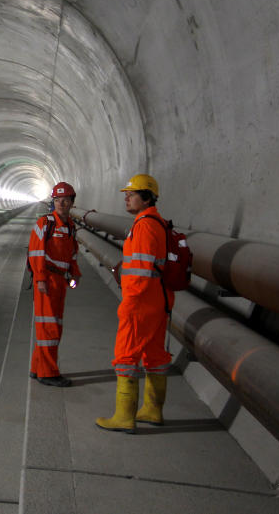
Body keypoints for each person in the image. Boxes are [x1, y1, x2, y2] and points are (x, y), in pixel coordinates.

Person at [96, 174, 174, 433]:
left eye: (132, 193)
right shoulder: (157, 223)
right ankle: (153, 410)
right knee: (154, 355)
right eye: (126, 193)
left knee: (126, 356)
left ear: (148, 197)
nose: (127, 197)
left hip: (140, 302)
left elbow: (140, 271)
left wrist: (128, 303)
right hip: (158, 300)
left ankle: (124, 416)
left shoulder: (143, 225)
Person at [27, 182, 81, 387]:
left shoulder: (70, 226)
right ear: (53, 202)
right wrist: (40, 279)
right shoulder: (45, 223)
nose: (62, 203)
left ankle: (36, 367)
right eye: (58, 200)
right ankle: (48, 373)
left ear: (72, 202)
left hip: (60, 281)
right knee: (49, 329)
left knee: (52, 325)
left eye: (66, 199)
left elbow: (72, 254)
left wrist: (74, 274)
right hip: (47, 281)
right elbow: (36, 253)